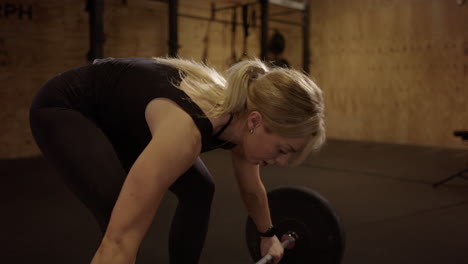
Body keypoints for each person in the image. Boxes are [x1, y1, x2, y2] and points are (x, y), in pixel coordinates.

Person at [29, 57, 325, 264]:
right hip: (70, 108)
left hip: (126, 119)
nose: (283, 162)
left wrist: (268, 235)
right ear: (256, 122)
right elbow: (118, 243)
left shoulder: (244, 116)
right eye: (283, 149)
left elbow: (251, 190)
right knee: (117, 217)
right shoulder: (185, 134)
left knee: (199, 189)